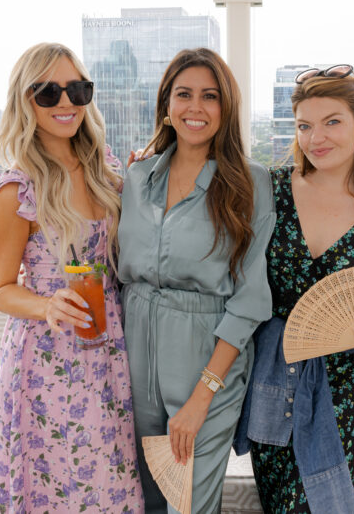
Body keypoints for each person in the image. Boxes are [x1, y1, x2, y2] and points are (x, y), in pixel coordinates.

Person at [234, 64, 354, 514]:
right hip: (273, 375)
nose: (316, 137)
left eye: (332, 122)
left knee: (319, 505)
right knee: (281, 504)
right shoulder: (269, 190)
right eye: (304, 125)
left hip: (348, 385)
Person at [0, 42, 143, 513]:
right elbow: (1, 290)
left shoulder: (108, 173)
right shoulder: (15, 191)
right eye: (48, 92)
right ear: (25, 102)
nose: (66, 102)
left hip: (108, 350)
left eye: (77, 89)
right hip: (46, 357)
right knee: (50, 485)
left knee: (106, 479)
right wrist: (47, 304)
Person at [118, 48, 275, 514]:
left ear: (225, 108)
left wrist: (202, 395)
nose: (195, 107)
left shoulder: (251, 182)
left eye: (210, 96)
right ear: (167, 103)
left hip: (205, 358)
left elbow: (249, 299)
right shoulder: (137, 175)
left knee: (189, 505)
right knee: (143, 499)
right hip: (133, 350)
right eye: (183, 94)